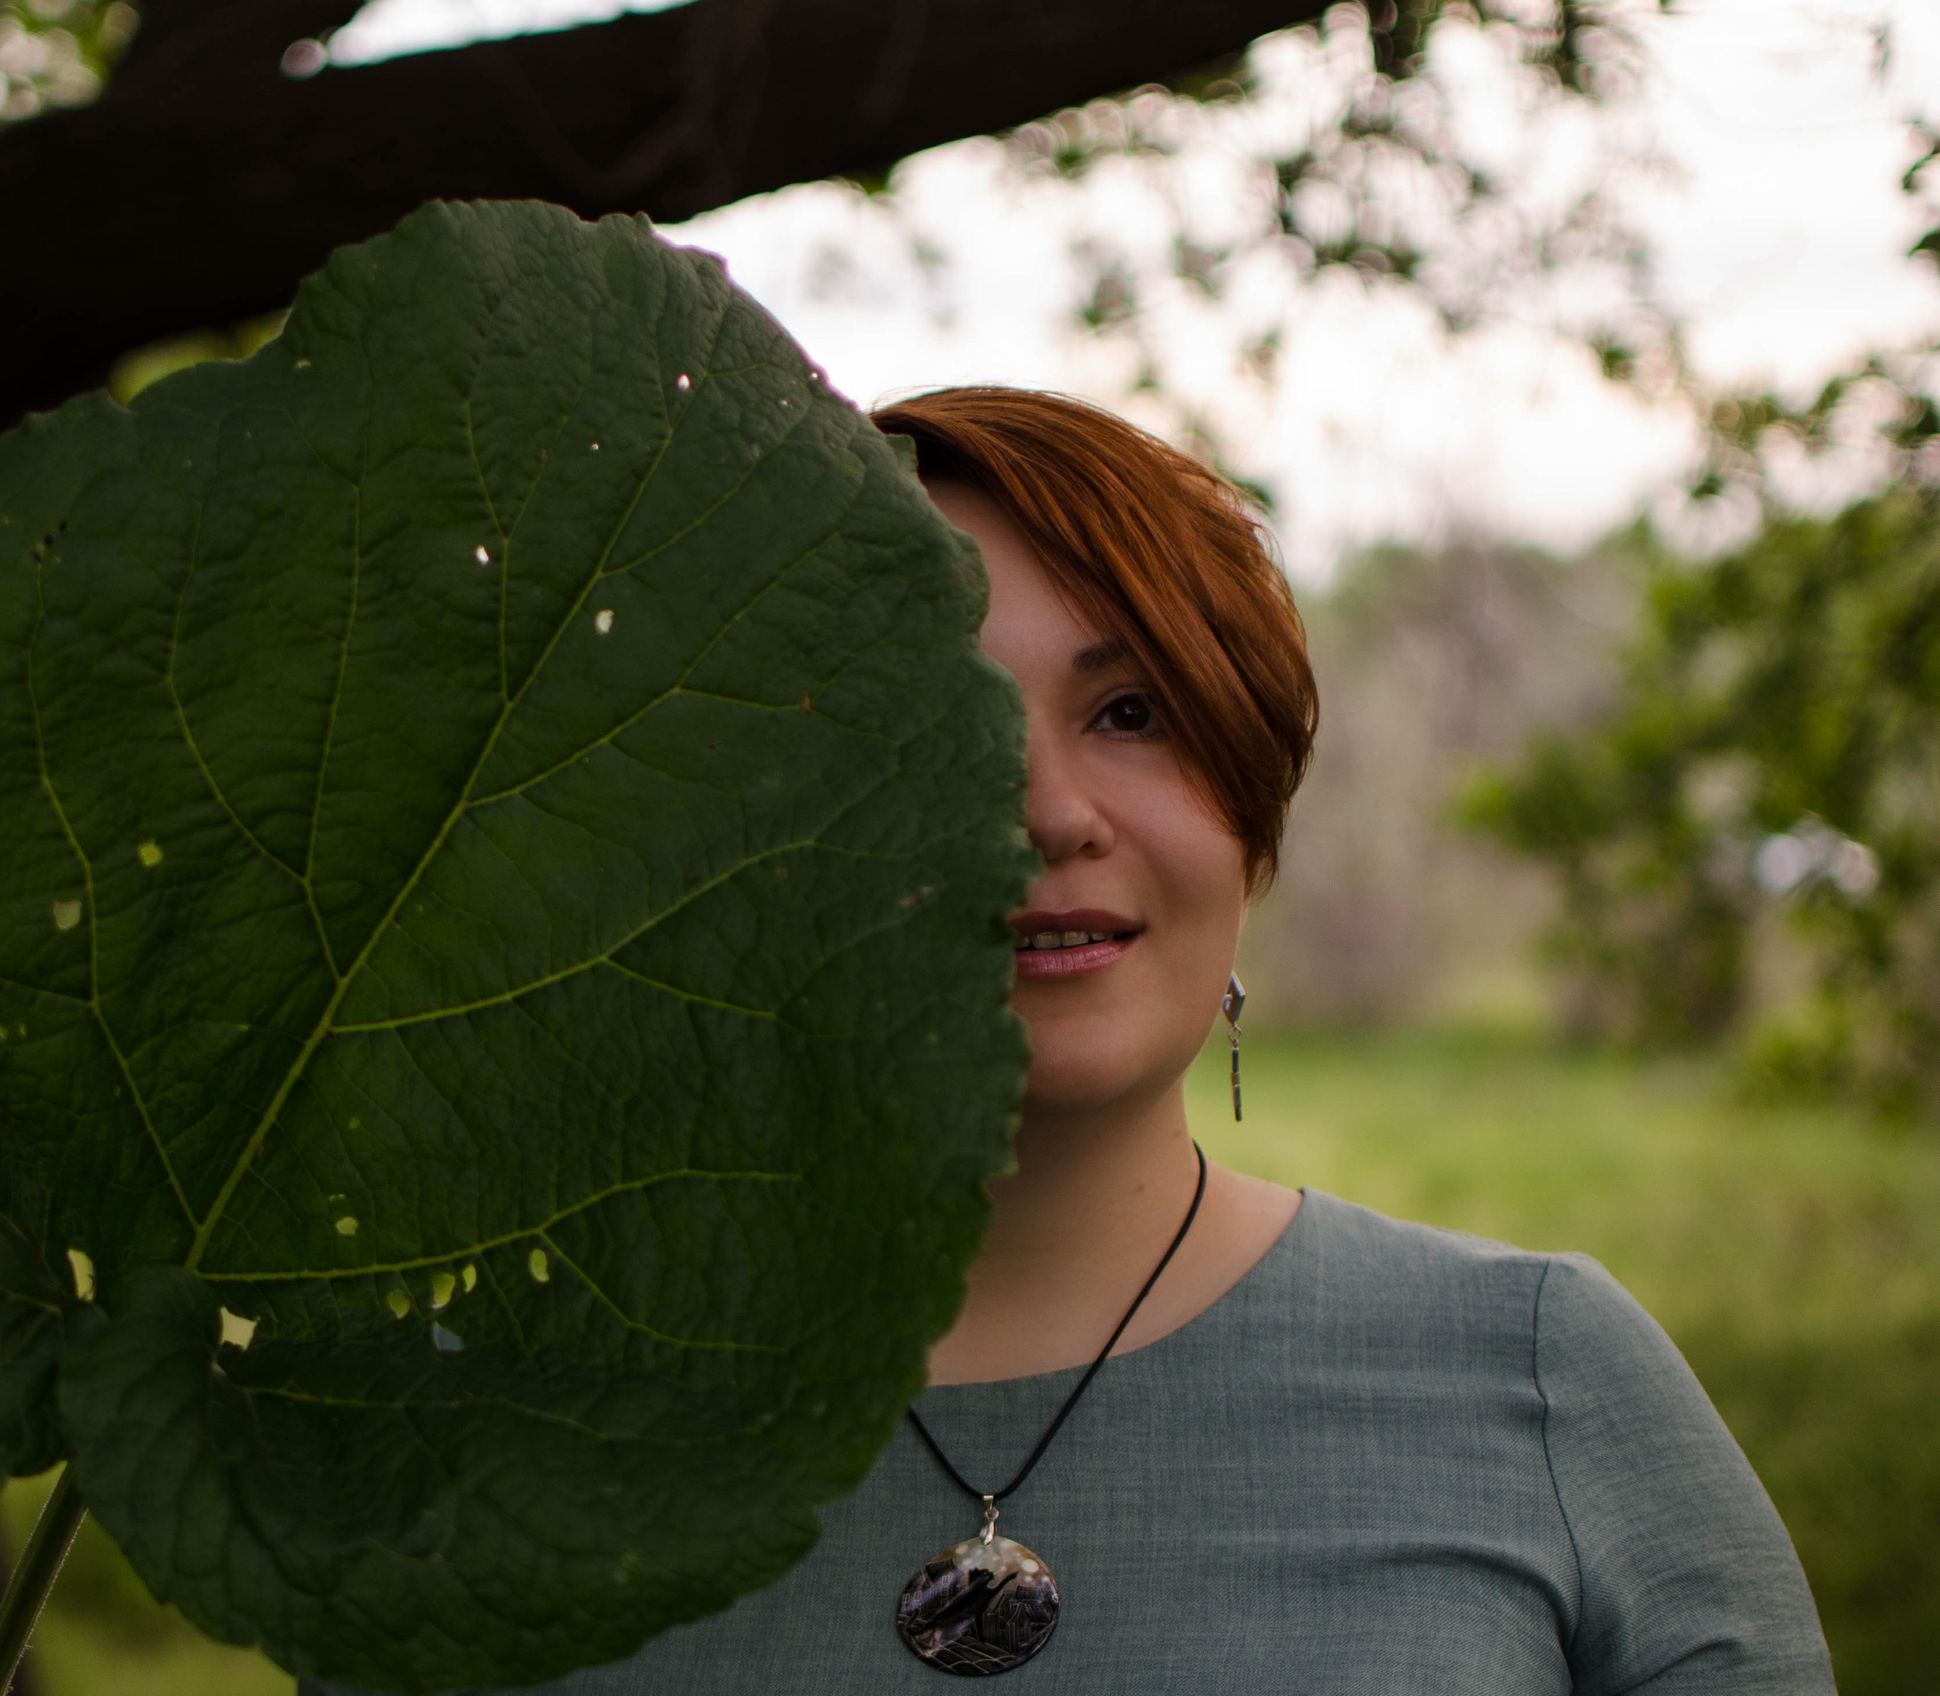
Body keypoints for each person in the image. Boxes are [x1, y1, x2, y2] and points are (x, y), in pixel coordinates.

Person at [307, 387, 1835, 1693]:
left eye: (1132, 713)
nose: (1044, 811)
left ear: (1250, 810)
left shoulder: (1548, 1389)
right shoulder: (455, 1426)